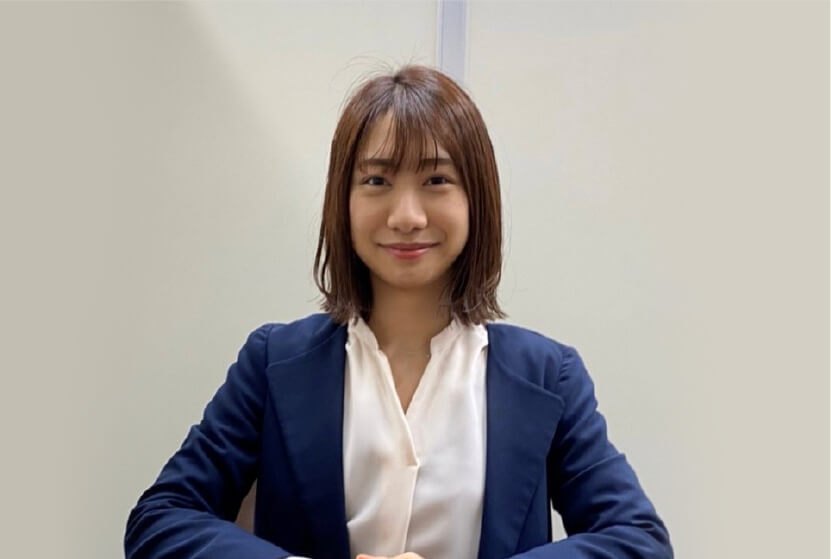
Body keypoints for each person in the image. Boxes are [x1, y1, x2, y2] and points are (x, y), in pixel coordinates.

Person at [124, 64, 673, 559]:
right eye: (377, 181)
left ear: (476, 199)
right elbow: (161, 521)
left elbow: (638, 540)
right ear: (343, 200)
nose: (407, 216)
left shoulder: (548, 374)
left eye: (436, 180)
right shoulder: (273, 362)